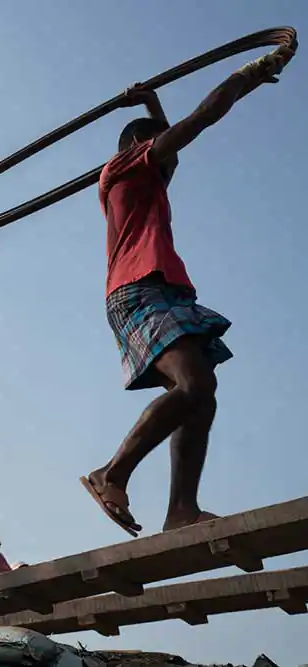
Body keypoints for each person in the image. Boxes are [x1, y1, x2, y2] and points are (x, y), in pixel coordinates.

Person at [81, 47, 295, 537]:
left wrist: (153, 103)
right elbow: (198, 121)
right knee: (195, 385)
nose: (170, 159)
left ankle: (181, 510)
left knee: (202, 394)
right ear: (139, 146)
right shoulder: (121, 168)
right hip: (139, 290)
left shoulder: (147, 181)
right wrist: (248, 76)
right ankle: (111, 474)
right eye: (159, 144)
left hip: (163, 291)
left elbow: (172, 145)